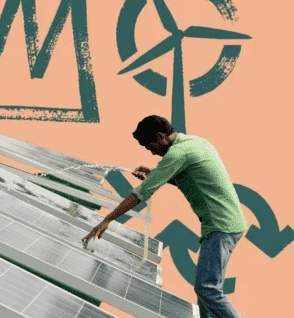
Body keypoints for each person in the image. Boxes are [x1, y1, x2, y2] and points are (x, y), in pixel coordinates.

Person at [82, 115, 247, 318]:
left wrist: (107, 219)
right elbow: (188, 178)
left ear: (160, 137)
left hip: (221, 226)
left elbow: (141, 193)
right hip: (227, 222)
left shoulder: (178, 154)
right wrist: (155, 173)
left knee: (207, 288)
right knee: (206, 291)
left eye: (149, 146)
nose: (151, 152)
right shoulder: (195, 142)